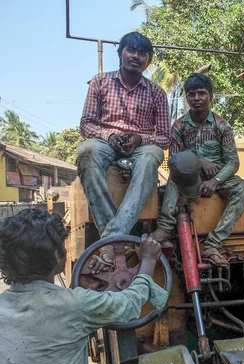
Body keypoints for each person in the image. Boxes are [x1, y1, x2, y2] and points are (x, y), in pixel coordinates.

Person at [0, 209, 168, 364]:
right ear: (57, 256)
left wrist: (75, 287)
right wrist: (149, 260)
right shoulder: (76, 305)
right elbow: (130, 304)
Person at [77, 31, 169, 270]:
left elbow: (165, 137)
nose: (136, 56)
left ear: (148, 60)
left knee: (151, 157)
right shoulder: (100, 82)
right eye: (130, 50)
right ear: (120, 54)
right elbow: (86, 124)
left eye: (142, 53)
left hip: (141, 146)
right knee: (86, 151)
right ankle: (117, 240)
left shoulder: (157, 93)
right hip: (106, 142)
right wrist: (110, 135)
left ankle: (109, 242)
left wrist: (140, 138)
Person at [151, 73, 244, 266]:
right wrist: (200, 161)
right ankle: (164, 228)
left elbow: (233, 162)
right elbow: (174, 158)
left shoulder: (222, 126)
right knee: (176, 172)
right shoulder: (179, 126)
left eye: (201, 93)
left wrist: (215, 181)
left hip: (219, 177)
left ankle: (213, 244)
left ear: (210, 96)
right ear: (186, 98)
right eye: (191, 94)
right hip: (189, 176)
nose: (196, 98)